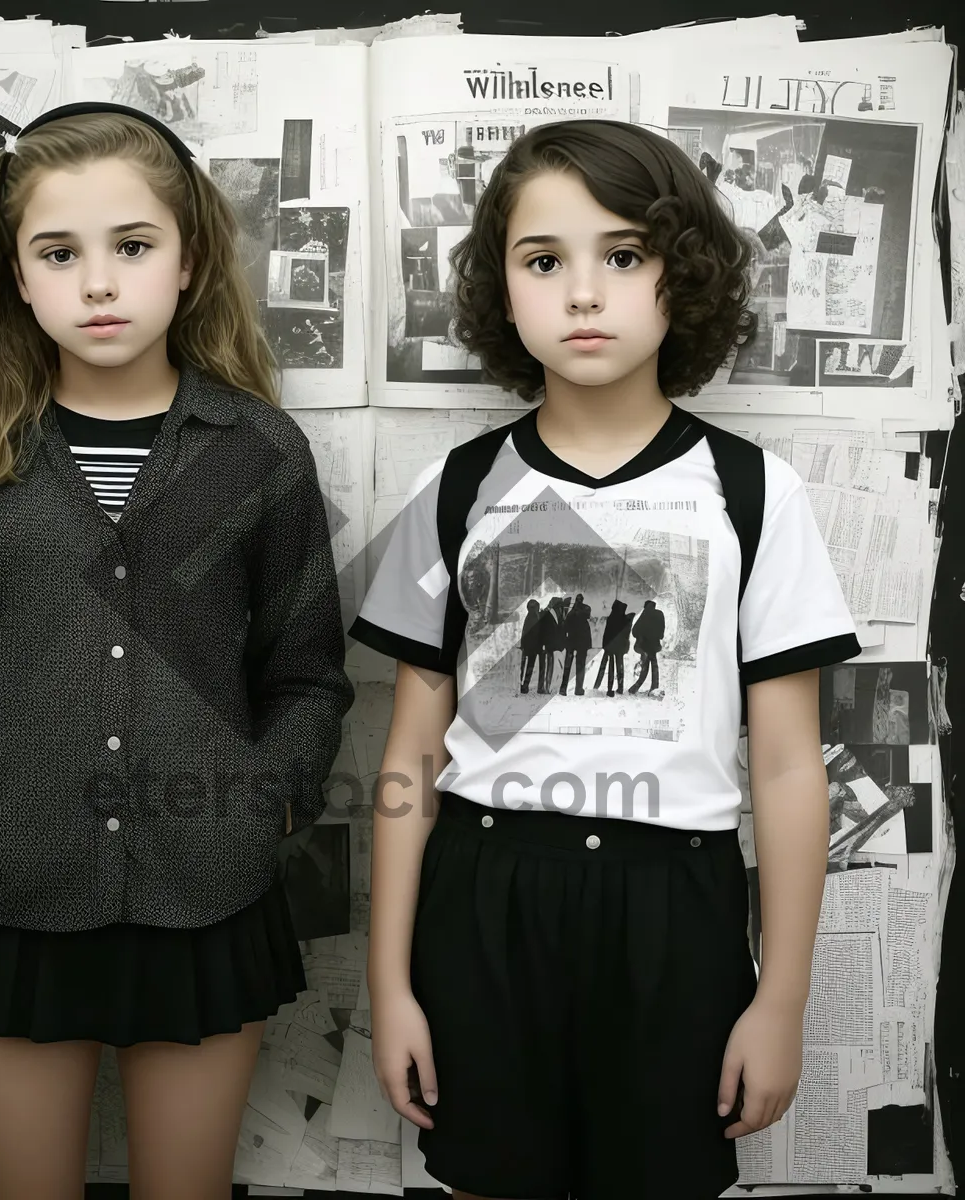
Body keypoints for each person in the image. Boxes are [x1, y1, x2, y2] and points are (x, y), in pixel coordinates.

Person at [349, 120, 860, 1200]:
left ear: (685, 272)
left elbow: (785, 768)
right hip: (485, 903)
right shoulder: (454, 492)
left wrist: (782, 999)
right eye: (546, 261)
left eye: (623, 255)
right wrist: (390, 983)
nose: (584, 293)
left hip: (676, 910)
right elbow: (405, 760)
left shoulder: (755, 494)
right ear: (504, 287)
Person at [0, 101, 353, 1200]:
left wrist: (266, 806)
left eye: (132, 247)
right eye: (59, 253)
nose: (98, 283)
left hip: (206, 893)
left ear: (186, 264)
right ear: (19, 278)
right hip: (16, 895)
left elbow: (306, 674)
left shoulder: (260, 451)